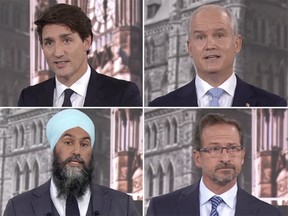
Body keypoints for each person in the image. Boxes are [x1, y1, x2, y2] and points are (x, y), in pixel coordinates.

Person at [4, 109, 139, 216]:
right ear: (53, 148)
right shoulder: (18, 208)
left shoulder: (122, 206)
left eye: (84, 144)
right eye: (68, 142)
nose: (77, 151)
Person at [149, 4, 287, 107]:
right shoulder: (161, 105)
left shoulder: (275, 104)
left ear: (237, 43)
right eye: (201, 37)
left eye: (219, 35)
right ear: (189, 48)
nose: (210, 45)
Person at [147, 113, 282, 216]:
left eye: (233, 148)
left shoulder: (269, 213)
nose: (225, 158)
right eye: (215, 149)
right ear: (198, 158)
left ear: (242, 156)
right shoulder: (161, 208)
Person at [18, 4, 141, 107]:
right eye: (49, 43)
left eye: (66, 40)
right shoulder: (29, 98)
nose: (58, 53)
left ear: (86, 42)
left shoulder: (122, 94)